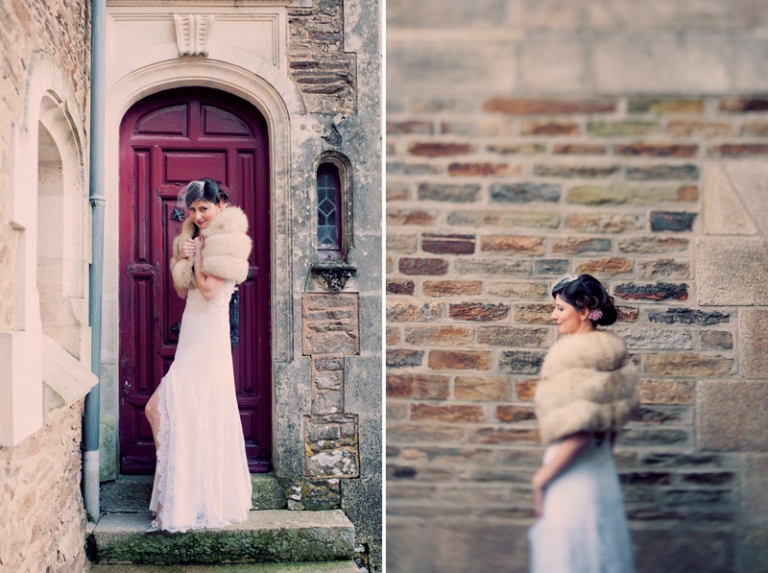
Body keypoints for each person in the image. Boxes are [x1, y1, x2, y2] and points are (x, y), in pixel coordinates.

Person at [143, 178, 253, 534]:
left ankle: (173, 500)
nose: (197, 215)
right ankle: (178, 498)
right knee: (184, 413)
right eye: (192, 209)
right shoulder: (197, 239)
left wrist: (199, 253)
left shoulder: (228, 242)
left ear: (220, 204)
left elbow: (207, 291)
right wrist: (185, 256)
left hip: (208, 340)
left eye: (203, 208)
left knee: (157, 408)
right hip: (193, 335)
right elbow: (183, 289)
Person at [528, 274, 640, 572]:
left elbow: (580, 433)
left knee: (571, 559)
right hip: (600, 472)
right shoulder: (612, 352)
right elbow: (610, 426)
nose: (553, 316)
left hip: (572, 476)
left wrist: (541, 479)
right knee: (599, 556)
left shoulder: (573, 354)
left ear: (584, 310)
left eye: (560, 308)